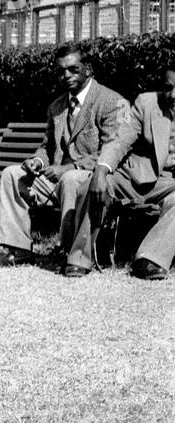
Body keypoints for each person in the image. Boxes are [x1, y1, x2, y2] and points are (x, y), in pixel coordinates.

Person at [0, 41, 128, 275]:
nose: (66, 75)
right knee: (12, 175)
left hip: (90, 180)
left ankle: (67, 251)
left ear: (89, 69)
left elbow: (112, 150)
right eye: (61, 71)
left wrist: (69, 167)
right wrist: (38, 161)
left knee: (71, 178)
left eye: (73, 69)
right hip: (57, 179)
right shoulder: (57, 106)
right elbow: (47, 146)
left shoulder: (111, 101)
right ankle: (18, 247)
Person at [73, 66, 175, 280]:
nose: (172, 95)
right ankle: (79, 257)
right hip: (136, 176)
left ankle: (149, 260)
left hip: (171, 184)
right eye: (168, 88)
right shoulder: (146, 103)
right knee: (92, 184)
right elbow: (120, 140)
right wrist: (101, 170)